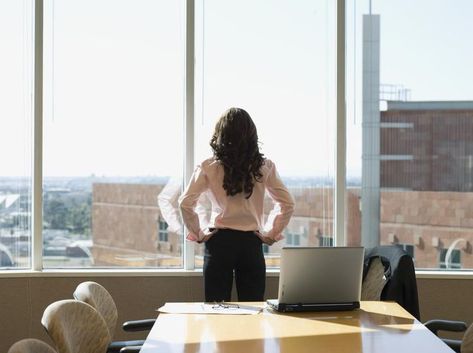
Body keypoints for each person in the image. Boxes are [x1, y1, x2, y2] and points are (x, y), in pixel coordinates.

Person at [179, 107, 295, 302]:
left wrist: (199, 233)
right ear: (252, 134)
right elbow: (287, 204)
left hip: (219, 243)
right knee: (253, 309)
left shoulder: (209, 166)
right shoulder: (264, 166)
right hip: (251, 244)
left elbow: (185, 203)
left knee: (216, 310)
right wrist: (271, 233)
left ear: (220, 133)